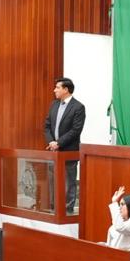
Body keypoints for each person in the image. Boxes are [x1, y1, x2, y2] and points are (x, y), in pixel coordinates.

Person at [44, 77, 85, 211]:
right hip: (53, 150)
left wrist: (59, 143)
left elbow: (75, 130)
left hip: (69, 151)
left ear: (66, 89)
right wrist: (51, 142)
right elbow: (47, 126)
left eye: (57, 87)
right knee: (53, 181)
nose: (54, 90)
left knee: (68, 181)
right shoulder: (54, 104)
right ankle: (53, 208)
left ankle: (67, 209)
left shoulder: (78, 107)